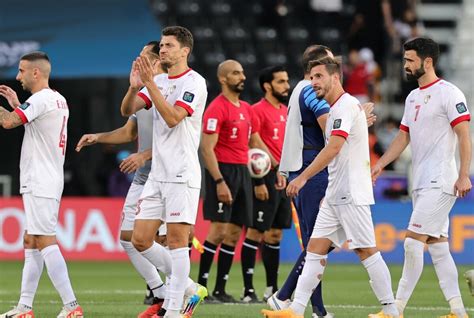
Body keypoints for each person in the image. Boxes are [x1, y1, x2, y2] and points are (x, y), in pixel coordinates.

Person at [262, 57, 398, 318]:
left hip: (350, 191)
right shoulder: (341, 108)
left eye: (318, 76)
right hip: (336, 193)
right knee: (314, 249)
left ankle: (391, 311)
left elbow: (334, 148)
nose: (313, 82)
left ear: (335, 78)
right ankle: (295, 309)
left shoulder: (344, 106)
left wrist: (302, 177)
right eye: (311, 77)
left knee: (365, 250)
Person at [372, 37, 471, 318]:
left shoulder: (450, 94)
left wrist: (463, 174)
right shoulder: (413, 97)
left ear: (427, 62)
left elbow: (464, 136)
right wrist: (380, 164)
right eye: (405, 60)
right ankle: (458, 311)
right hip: (420, 181)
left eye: (409, 60)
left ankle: (395, 309)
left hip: (441, 181)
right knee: (438, 248)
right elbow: (403, 136)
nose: (405, 65)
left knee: (412, 242)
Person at [75, 42, 170, 318]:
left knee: (161, 239)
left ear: (156, 61)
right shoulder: (143, 94)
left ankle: (179, 294)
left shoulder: (171, 89)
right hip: (143, 176)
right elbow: (129, 131)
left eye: (142, 58)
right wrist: (99, 137)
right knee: (127, 239)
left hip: (167, 175)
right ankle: (161, 291)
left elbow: (182, 138)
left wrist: (144, 156)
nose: (136, 61)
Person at [121, 26, 208, 318]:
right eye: (161, 44)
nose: (163, 50)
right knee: (140, 239)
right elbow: (127, 110)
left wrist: (151, 85)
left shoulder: (195, 83)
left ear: (185, 51)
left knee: (176, 242)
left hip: (181, 174)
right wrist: (136, 85)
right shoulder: (156, 80)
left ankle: (172, 310)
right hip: (157, 174)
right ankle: (190, 288)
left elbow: (172, 118)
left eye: (169, 45)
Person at [0, 52, 83, 317]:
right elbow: (32, 123)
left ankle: (71, 306)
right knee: (32, 239)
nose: (17, 76)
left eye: (22, 71)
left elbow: (8, 122)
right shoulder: (57, 99)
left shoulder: (40, 99)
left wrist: (13, 109)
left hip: (40, 179)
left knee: (45, 240)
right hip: (47, 177)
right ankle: (25, 307)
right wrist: (17, 104)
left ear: (36, 73)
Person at [197, 59, 281, 303]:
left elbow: (255, 141)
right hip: (223, 172)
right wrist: (219, 181)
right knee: (218, 230)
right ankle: (201, 288)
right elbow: (206, 149)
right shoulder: (216, 108)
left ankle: (220, 290)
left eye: (242, 72)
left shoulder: (245, 108)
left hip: (243, 171)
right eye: (235, 73)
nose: (241, 77)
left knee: (234, 233)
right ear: (223, 79)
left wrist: (276, 165)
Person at [266, 45, 335, 318]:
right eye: (330, 62)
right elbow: (330, 126)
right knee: (318, 243)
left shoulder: (299, 90)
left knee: (316, 243)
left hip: (303, 168)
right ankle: (289, 298)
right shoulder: (311, 90)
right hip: (313, 169)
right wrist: (357, 120)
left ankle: (302, 303)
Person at [240, 65, 292, 303]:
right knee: (255, 232)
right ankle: (248, 290)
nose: (286, 86)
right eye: (281, 81)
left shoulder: (285, 111)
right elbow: (253, 142)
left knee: (275, 234)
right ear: (267, 86)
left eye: (286, 81)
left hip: (283, 177)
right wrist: (260, 179)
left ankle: (272, 288)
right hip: (265, 175)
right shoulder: (256, 110)